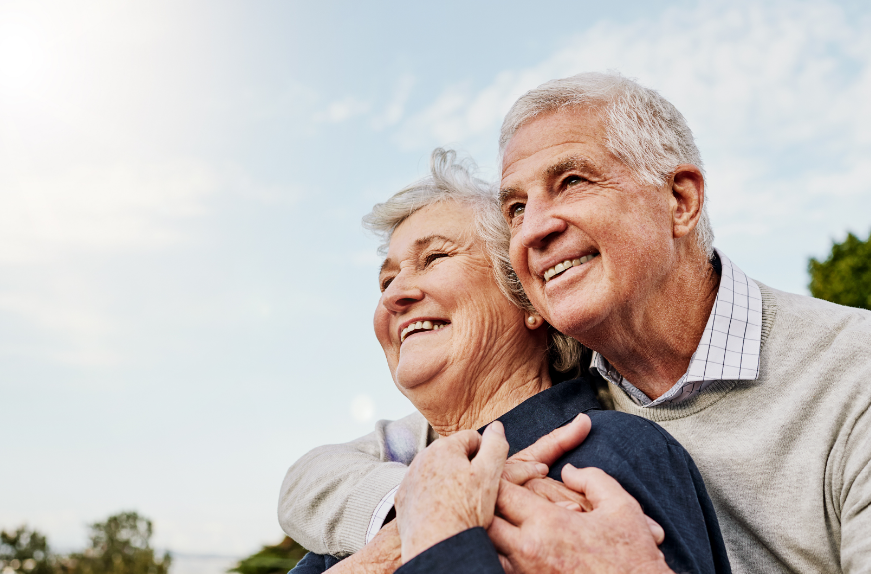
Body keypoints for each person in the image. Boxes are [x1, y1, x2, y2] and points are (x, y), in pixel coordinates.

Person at [280, 72, 871, 573]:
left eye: (573, 181)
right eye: (515, 209)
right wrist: (410, 512)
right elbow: (311, 477)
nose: (534, 229)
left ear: (680, 201)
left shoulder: (852, 373)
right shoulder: (452, 451)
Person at [282, 149, 730, 574]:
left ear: (528, 296)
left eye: (434, 257)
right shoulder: (370, 505)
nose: (394, 295)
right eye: (386, 279)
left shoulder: (608, 454)